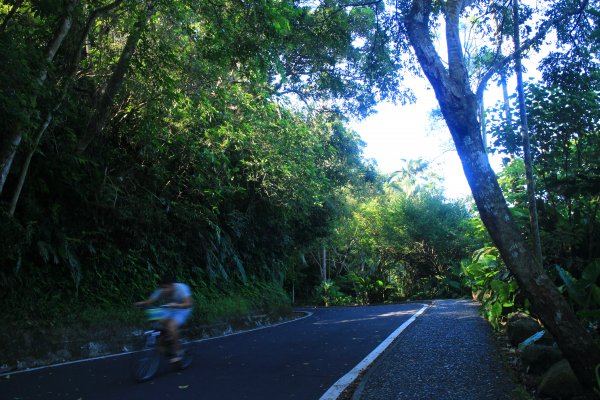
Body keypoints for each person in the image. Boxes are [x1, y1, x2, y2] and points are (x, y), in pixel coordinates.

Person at [135, 273, 193, 363]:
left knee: (171, 325)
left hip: (183, 309)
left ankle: (178, 352)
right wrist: (141, 304)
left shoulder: (181, 288)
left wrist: (176, 305)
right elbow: (149, 302)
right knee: (158, 325)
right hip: (169, 308)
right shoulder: (161, 290)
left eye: (166, 287)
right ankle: (166, 344)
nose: (164, 290)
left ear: (172, 285)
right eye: (163, 287)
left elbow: (189, 304)